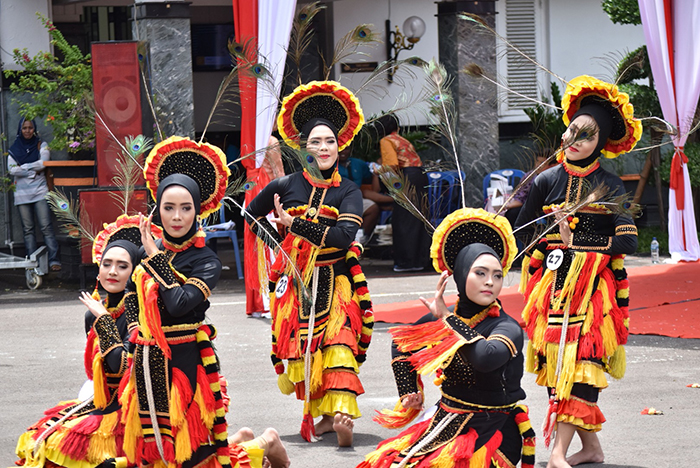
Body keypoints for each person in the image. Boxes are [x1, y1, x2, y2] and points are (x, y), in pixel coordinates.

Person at [514, 75, 641, 468]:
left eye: (588, 135)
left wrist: (578, 242)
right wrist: (551, 231)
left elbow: (629, 241)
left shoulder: (610, 184)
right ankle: (591, 449)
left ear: (600, 143)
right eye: (573, 130)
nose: (577, 139)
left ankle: (556, 453)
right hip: (550, 288)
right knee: (556, 368)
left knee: (583, 366)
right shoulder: (547, 180)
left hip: (593, 292)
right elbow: (522, 234)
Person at [247, 81, 374, 446]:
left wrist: (295, 224)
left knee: (339, 341)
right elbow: (251, 215)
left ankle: (343, 414)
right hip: (296, 283)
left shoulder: (347, 190)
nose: (323, 147)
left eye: (329, 141)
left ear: (339, 146)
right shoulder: (285, 185)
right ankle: (321, 419)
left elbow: (342, 237)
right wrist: (280, 245)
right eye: (315, 142)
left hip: (337, 279)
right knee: (305, 351)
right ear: (303, 148)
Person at [362, 208, 535, 468]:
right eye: (481, 273)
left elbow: (485, 358)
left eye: (497, 276)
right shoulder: (445, 318)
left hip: (493, 429)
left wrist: (447, 319)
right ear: (461, 274)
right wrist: (409, 390)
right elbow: (401, 344)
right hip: (446, 417)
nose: (490, 282)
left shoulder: (506, 326)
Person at [120, 136, 233, 468]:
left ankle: (259, 446)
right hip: (145, 359)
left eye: (186, 208)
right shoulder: (145, 249)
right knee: (148, 451)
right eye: (169, 208)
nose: (177, 216)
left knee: (187, 454)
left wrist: (155, 260)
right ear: (158, 209)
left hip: (187, 362)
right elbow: (131, 297)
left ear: (198, 210)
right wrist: (134, 333)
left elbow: (180, 303)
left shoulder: (206, 260)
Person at [15, 215, 159, 467]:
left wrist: (104, 320)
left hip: (132, 410)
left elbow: (122, 367)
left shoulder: (139, 313)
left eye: (122, 266)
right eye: (107, 264)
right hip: (102, 401)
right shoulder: (91, 313)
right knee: (40, 439)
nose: (112, 272)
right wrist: (101, 317)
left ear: (134, 272)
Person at [377, 114, 430, 272]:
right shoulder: (403, 140)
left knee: (403, 220)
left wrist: (377, 170)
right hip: (420, 176)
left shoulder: (386, 140)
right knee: (419, 218)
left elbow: (391, 164)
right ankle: (420, 260)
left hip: (407, 178)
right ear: (397, 128)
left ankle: (406, 262)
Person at [7, 117, 61, 271]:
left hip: (40, 192)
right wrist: (32, 170)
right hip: (22, 195)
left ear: (34, 129)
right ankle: (32, 264)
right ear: (20, 130)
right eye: (24, 128)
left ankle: (54, 260)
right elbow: (11, 170)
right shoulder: (14, 149)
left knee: (46, 227)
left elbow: (43, 163)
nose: (27, 131)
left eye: (30, 128)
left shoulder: (41, 145)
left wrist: (23, 168)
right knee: (28, 229)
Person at [337, 145, 393, 243]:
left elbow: (372, 181)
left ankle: (362, 239)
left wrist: (377, 171)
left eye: (347, 149)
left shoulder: (358, 164)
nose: (343, 152)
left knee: (372, 207)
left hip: (356, 199)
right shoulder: (328, 164)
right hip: (335, 200)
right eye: (340, 149)